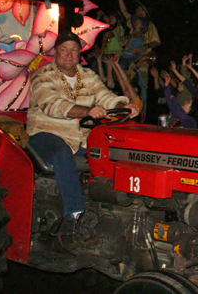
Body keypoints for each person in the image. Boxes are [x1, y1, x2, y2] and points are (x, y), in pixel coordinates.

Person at [26, 31, 139, 236]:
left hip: (80, 137)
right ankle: (75, 213)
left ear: (79, 54)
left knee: (111, 152)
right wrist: (86, 111)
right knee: (62, 152)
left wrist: (123, 106)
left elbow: (105, 96)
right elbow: (53, 105)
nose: (69, 55)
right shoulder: (42, 77)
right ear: (56, 52)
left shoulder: (88, 76)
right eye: (64, 50)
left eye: (74, 50)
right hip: (47, 133)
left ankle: (118, 205)